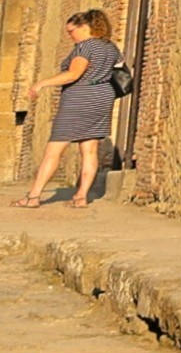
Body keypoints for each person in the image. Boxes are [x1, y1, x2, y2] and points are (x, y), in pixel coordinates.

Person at [16, 11, 119, 210]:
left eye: (72, 31)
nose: (70, 36)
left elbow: (73, 74)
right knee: (90, 149)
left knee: (54, 150)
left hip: (79, 98)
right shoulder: (111, 47)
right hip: (102, 97)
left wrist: (41, 84)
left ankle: (33, 196)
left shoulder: (85, 46)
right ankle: (81, 197)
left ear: (85, 27)